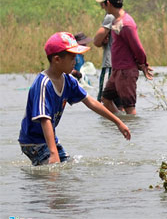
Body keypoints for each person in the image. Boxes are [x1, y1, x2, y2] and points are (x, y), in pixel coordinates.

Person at [18, 32, 131, 166]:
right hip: (33, 141)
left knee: (67, 165)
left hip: (49, 138)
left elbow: (91, 102)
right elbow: (45, 119)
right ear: (57, 59)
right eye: (72, 58)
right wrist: (53, 153)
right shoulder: (44, 84)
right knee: (53, 170)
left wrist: (118, 121)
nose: (76, 61)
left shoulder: (69, 80)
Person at [95, 0, 153, 115]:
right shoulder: (117, 21)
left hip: (126, 71)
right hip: (117, 71)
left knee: (129, 108)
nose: (102, 7)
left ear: (108, 4)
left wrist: (143, 64)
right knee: (106, 99)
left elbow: (137, 47)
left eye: (103, 4)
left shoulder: (126, 24)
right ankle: (119, 122)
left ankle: (131, 130)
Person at [93, 0, 121, 107]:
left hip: (110, 63)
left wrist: (102, 39)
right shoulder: (120, 15)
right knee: (119, 103)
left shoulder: (110, 16)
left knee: (105, 101)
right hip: (120, 64)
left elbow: (97, 41)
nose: (101, 5)